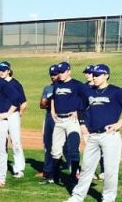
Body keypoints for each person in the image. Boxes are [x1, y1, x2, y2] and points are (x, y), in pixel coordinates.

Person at [66, 64, 122, 202]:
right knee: (86, 168)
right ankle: (78, 196)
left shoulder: (116, 92)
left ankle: (108, 198)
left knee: (110, 170)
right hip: (92, 136)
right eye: (93, 75)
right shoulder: (89, 91)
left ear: (106, 75)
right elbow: (81, 109)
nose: (94, 77)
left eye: (97, 75)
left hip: (109, 136)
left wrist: (119, 124)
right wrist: (83, 125)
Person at [45, 61, 87, 186]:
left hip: (71, 120)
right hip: (59, 120)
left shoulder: (77, 85)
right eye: (59, 72)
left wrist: (78, 110)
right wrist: (52, 110)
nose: (60, 74)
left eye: (62, 72)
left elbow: (87, 100)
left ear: (69, 71)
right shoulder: (57, 84)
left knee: (73, 149)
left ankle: (74, 176)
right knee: (55, 150)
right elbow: (53, 98)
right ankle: (54, 176)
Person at [0, 61, 27, 178]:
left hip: (12, 115)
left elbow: (24, 102)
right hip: (0, 116)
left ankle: (19, 168)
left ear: (9, 71)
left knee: (15, 142)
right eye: (0, 70)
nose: (1, 72)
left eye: (4, 70)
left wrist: (19, 114)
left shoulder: (15, 84)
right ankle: (2, 168)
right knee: (2, 143)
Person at [38, 65, 61, 183]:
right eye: (51, 74)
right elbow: (41, 105)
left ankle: (73, 170)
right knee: (48, 145)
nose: (53, 77)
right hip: (48, 117)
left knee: (64, 146)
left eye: (55, 74)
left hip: (60, 118)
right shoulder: (47, 88)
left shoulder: (63, 88)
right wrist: (45, 102)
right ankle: (47, 171)